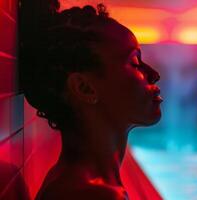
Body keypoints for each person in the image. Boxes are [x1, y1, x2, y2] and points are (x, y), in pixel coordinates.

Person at [19, 1, 163, 199]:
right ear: (84, 88)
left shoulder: (76, 182)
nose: (154, 74)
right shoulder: (93, 194)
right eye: (135, 62)